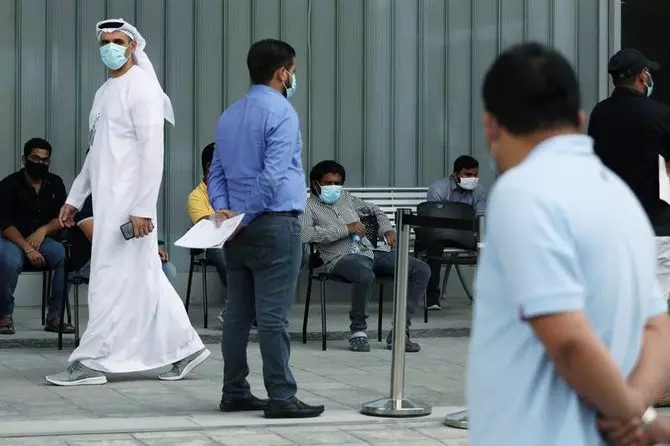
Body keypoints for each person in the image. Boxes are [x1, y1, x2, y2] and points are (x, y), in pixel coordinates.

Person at [467, 42, 670, 446]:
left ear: (491, 125)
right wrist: (637, 408)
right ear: (578, 120)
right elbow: (658, 325)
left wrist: (626, 407)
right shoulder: (620, 199)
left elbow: (569, 339)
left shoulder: (523, 192)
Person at [45, 18, 209, 387]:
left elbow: (153, 153)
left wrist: (143, 209)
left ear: (133, 46)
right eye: (104, 42)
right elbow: (95, 153)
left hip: (129, 210)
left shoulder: (142, 88)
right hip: (108, 205)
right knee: (145, 280)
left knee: (107, 282)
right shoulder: (104, 92)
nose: (110, 47)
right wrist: (75, 198)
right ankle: (186, 349)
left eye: (117, 41)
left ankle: (91, 362)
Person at [210, 38, 323, 419]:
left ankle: (234, 391)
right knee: (273, 317)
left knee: (237, 315)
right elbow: (272, 176)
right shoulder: (283, 112)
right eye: (293, 71)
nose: (294, 77)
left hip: (235, 230)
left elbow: (216, 172)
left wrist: (226, 213)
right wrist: (245, 214)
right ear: (282, 73)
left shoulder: (229, 114)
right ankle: (281, 396)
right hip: (274, 224)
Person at [300, 160, 429, 353]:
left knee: (420, 269)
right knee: (364, 274)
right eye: (328, 183)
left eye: (337, 183)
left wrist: (387, 230)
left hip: (369, 252)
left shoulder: (346, 198)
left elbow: (375, 210)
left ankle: (400, 332)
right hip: (338, 258)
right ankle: (358, 331)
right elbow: (305, 234)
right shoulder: (307, 206)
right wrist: (345, 229)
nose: (333, 187)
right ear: (315, 183)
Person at [587, 49, 670, 317]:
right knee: (655, 310)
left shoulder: (599, 114)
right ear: (643, 76)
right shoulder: (661, 114)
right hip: (655, 224)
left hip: (613, 228)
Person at [0, 138, 75, 335]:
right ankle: (4, 315)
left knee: (63, 257)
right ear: (24, 159)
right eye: (35, 158)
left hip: (43, 240)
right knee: (8, 261)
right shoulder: (8, 184)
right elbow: (4, 224)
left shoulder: (55, 183)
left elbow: (62, 217)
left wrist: (43, 231)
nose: (40, 163)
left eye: (44, 160)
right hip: (13, 240)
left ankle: (55, 317)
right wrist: (27, 247)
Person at [423, 155, 487, 310]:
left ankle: (487, 298)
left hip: (467, 234)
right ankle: (432, 299)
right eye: (468, 175)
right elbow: (434, 219)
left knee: (490, 247)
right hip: (440, 233)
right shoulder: (438, 189)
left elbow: (481, 217)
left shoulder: (479, 190)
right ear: (455, 175)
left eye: (475, 175)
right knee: (433, 248)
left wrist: (478, 238)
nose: (472, 179)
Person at [72, 195, 177, 284]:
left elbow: (139, 230)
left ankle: (147, 302)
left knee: (167, 269)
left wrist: (151, 249)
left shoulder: (132, 197)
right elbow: (95, 238)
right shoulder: (91, 196)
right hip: (93, 260)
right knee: (133, 274)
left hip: (127, 256)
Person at [187, 142, 228, 322]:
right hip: (210, 245)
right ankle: (240, 305)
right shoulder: (196, 196)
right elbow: (207, 224)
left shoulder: (233, 190)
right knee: (222, 251)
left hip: (236, 239)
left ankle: (248, 307)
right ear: (210, 166)